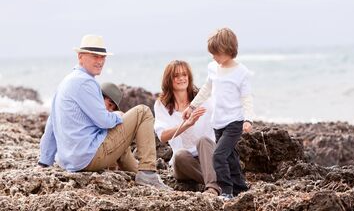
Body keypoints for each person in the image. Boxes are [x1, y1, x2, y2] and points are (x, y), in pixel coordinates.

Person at [38, 34, 170, 190]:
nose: (100, 61)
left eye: (102, 57)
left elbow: (51, 127)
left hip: (69, 161)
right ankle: (148, 173)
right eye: (95, 56)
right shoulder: (86, 82)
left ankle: (138, 172)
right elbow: (104, 121)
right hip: (87, 158)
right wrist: (117, 116)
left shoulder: (64, 83)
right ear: (80, 56)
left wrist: (44, 162)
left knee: (117, 132)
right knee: (143, 111)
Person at [183, 27, 253, 200]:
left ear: (228, 50)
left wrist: (248, 119)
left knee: (219, 155)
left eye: (216, 52)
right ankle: (240, 188)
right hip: (218, 122)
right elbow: (206, 89)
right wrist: (192, 106)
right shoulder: (213, 68)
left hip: (234, 122)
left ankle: (227, 190)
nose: (213, 56)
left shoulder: (241, 72)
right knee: (230, 157)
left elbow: (247, 98)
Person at [154, 60, 221, 196]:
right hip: (185, 164)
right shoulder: (162, 104)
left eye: (184, 75)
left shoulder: (202, 99)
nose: (181, 78)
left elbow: (221, 112)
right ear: (169, 79)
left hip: (208, 157)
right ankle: (221, 182)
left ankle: (213, 188)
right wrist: (186, 124)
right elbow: (162, 136)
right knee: (179, 155)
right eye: (176, 76)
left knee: (203, 140)